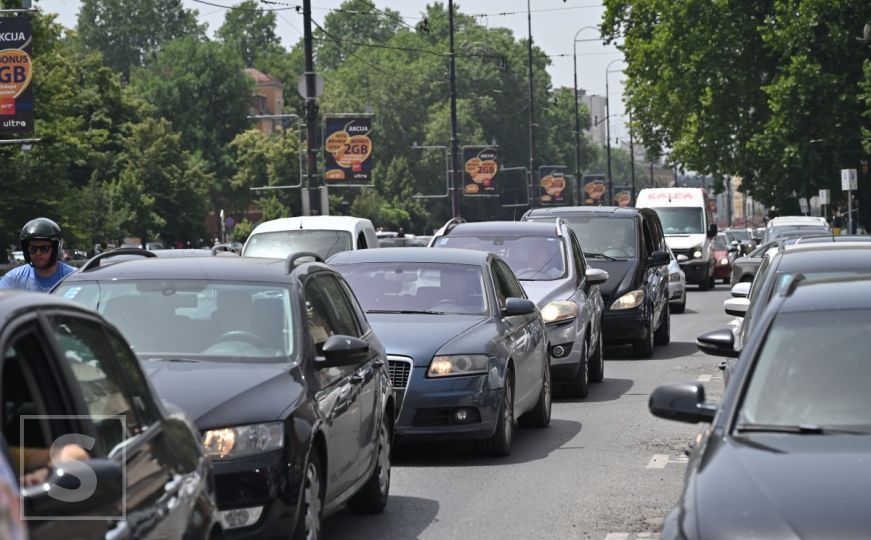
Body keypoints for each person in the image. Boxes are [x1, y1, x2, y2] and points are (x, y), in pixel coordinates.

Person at [0, 218, 76, 293]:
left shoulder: (73, 277)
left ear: (55, 249)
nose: (38, 253)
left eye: (44, 249)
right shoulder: (14, 278)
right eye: (33, 249)